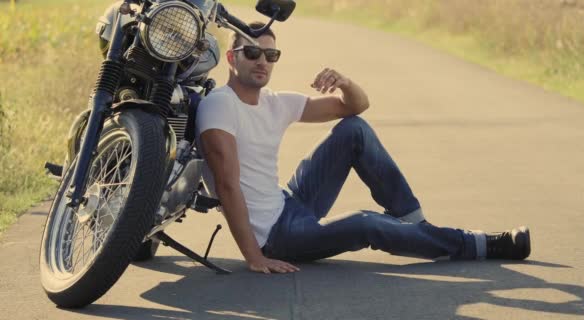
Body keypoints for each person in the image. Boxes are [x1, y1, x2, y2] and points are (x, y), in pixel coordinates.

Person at [196, 22, 531, 274]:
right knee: (366, 224)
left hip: (288, 202)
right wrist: (254, 256)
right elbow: (226, 185)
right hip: (276, 236)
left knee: (353, 130)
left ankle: (413, 223)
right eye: (252, 53)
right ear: (230, 57)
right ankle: (480, 244)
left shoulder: (274, 102)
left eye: (271, 55)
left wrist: (344, 83)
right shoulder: (220, 106)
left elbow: (355, 108)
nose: (262, 62)